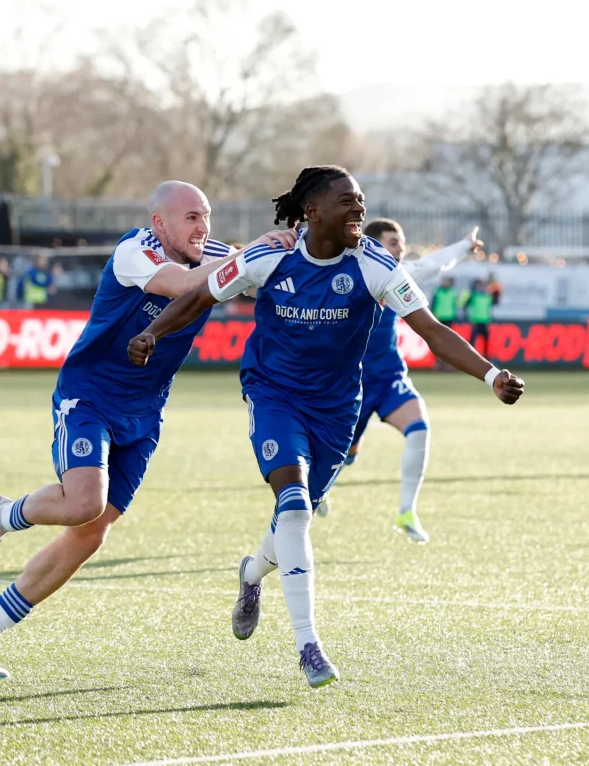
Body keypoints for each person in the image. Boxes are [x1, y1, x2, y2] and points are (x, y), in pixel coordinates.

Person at [128, 166, 524, 688]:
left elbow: (430, 329)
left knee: (294, 519)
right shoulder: (269, 256)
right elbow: (201, 296)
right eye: (347, 201)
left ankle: (251, 574)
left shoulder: (374, 265)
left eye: (360, 199)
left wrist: (492, 374)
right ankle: (308, 645)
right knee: (292, 506)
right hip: (273, 395)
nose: (359, 209)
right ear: (312, 211)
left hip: (337, 411)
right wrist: (152, 330)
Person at [0, 180, 296, 680]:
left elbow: (260, 272)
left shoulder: (220, 253)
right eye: (191, 218)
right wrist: (252, 256)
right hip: (88, 395)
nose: (204, 227)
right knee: (84, 503)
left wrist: (286, 247)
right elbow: (183, 285)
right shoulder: (135, 251)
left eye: (207, 216)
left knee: (90, 536)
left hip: (145, 411)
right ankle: (3, 516)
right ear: (161, 223)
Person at [318, 218, 481, 544]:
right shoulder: (349, 273)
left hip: (390, 375)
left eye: (402, 242)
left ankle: (407, 511)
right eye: (394, 242)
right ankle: (318, 490)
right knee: (344, 455)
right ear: (375, 244)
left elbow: (434, 263)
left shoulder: (402, 274)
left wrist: (464, 245)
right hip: (350, 383)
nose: (401, 248)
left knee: (419, 428)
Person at [459, 277, 497, 359]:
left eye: (483, 285)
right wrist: (469, 318)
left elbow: (489, 309)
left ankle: (487, 360)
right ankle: (470, 358)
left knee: (486, 342)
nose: (482, 287)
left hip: (485, 322)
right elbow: (466, 307)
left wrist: (489, 319)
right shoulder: (473, 296)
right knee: (472, 342)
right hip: (475, 322)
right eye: (480, 285)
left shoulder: (488, 297)